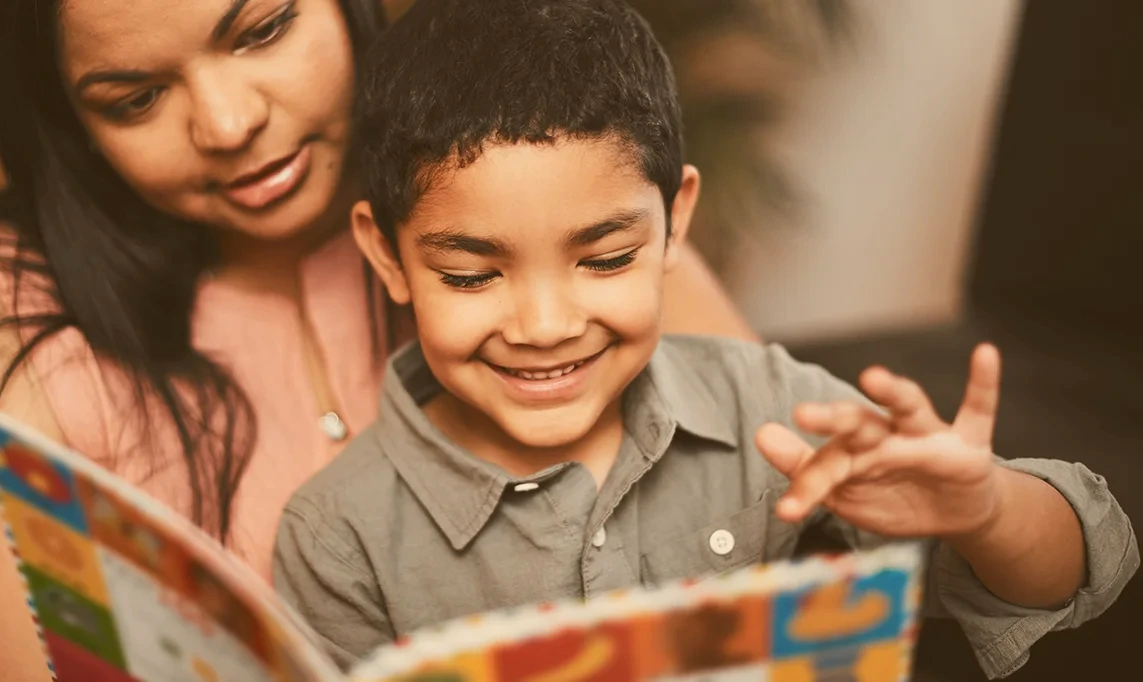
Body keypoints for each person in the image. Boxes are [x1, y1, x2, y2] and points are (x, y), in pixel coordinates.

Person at [0, 0, 754, 680]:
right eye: (135, 99)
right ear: (71, 124)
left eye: (261, 30)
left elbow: (770, 496)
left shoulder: (511, 181)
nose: (225, 123)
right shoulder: (1, 317)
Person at [271, 0, 1140, 677]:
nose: (544, 327)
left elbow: (1079, 576)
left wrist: (988, 512)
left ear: (675, 219)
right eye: (470, 275)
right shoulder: (337, 537)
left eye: (605, 259)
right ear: (385, 255)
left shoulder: (766, 406)